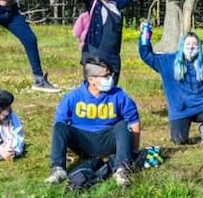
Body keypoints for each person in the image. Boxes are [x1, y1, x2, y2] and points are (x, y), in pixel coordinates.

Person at [45, 57, 141, 187]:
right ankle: (58, 169)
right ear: (91, 80)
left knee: (123, 126)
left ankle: (122, 169)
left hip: (108, 140)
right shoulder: (72, 97)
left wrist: (134, 151)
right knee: (60, 127)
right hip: (83, 142)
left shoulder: (119, 95)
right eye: (105, 76)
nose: (110, 78)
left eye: (110, 75)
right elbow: (60, 125)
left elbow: (134, 122)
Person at [53, 0, 138, 81]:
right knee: (94, 87)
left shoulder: (115, 4)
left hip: (113, 55)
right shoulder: (93, 4)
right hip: (95, 53)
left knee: (111, 88)